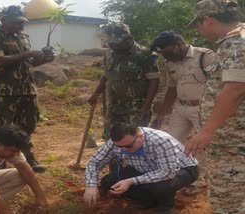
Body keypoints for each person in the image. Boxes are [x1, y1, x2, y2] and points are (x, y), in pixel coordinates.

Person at [185, 0, 245, 213]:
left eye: (198, 25)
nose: (199, 31)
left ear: (208, 20)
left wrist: (206, 131)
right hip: (233, 139)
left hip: (232, 142)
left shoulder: (237, 44)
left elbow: (235, 90)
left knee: (229, 201)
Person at [0, 5, 54, 172]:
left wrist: (44, 59)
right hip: (6, 91)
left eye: (21, 22)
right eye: (15, 23)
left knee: (27, 126)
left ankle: (28, 159)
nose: (20, 26)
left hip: (28, 90)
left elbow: (29, 63)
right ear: (3, 20)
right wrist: (28, 54)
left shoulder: (23, 37)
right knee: (1, 128)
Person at [83, 122, 198, 214]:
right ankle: (148, 200)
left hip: (182, 169)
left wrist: (131, 181)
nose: (124, 149)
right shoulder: (118, 142)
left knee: (160, 186)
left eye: (128, 146)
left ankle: (165, 206)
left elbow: (167, 172)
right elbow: (95, 161)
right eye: (120, 147)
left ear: (140, 136)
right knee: (108, 181)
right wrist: (91, 185)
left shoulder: (161, 141)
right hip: (144, 169)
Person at [150, 31, 214, 194]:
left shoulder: (204, 56)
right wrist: (162, 115)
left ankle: (198, 180)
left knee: (199, 145)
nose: (165, 56)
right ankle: (178, 174)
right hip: (180, 107)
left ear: (177, 44)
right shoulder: (170, 62)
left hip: (202, 107)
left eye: (165, 52)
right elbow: (171, 89)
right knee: (172, 140)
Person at [88, 22, 160, 141]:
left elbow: (154, 81)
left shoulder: (145, 55)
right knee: (111, 137)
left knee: (134, 139)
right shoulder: (109, 54)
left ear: (129, 38)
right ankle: (113, 159)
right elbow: (106, 75)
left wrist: (147, 106)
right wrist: (95, 94)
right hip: (114, 106)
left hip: (136, 107)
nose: (112, 46)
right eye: (109, 43)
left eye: (116, 43)